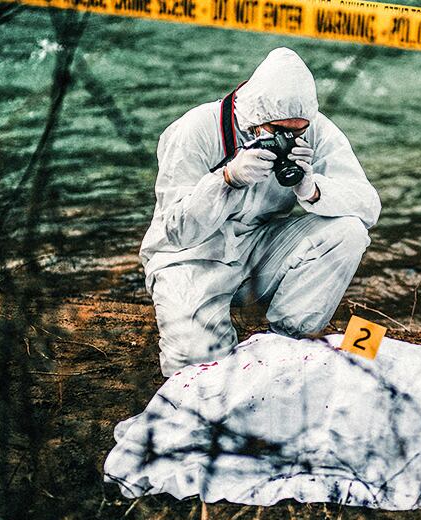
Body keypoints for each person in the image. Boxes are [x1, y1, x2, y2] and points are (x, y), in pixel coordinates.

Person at [139, 47, 380, 377]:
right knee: (199, 372)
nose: (290, 139)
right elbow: (173, 232)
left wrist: (313, 188)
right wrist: (226, 179)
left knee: (349, 232)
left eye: (298, 131)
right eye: (281, 131)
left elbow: (368, 205)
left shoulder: (315, 130)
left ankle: (287, 342)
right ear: (253, 120)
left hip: (258, 251)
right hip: (190, 257)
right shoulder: (195, 129)